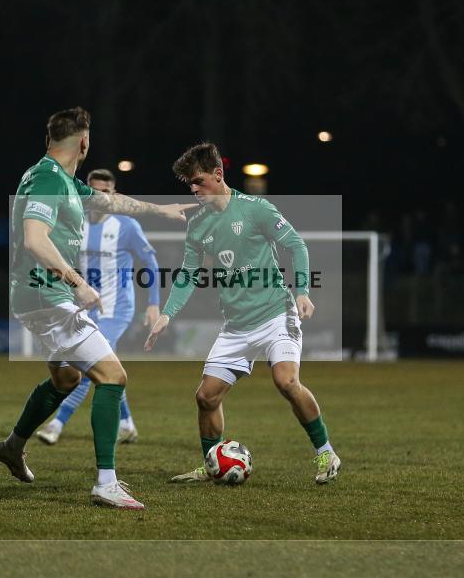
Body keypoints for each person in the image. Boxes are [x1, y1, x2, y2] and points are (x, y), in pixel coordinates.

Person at [0, 106, 194, 509]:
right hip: (48, 297)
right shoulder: (48, 179)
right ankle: (106, 483)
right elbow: (35, 239)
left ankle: (12, 446)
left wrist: (160, 210)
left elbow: (111, 203)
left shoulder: (62, 180)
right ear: (84, 142)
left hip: (39, 297)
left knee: (65, 380)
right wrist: (77, 282)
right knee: (112, 377)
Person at [144, 142, 341, 485]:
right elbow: (188, 274)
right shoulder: (198, 225)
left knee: (286, 381)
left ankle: (326, 452)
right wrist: (167, 314)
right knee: (206, 397)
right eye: (189, 184)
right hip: (237, 326)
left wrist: (302, 292)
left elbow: (296, 245)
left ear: (218, 174)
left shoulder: (255, 209)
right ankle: (212, 463)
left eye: (198, 181)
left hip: (276, 313)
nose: (194, 189)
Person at [34, 169, 160, 446]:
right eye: (95, 192)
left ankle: (56, 424)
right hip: (84, 307)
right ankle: (127, 424)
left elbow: (150, 263)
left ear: (114, 195)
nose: (100, 197)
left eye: (106, 192)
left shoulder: (126, 226)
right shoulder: (75, 224)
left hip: (116, 310)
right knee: (106, 367)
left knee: (88, 365)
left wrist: (153, 303)